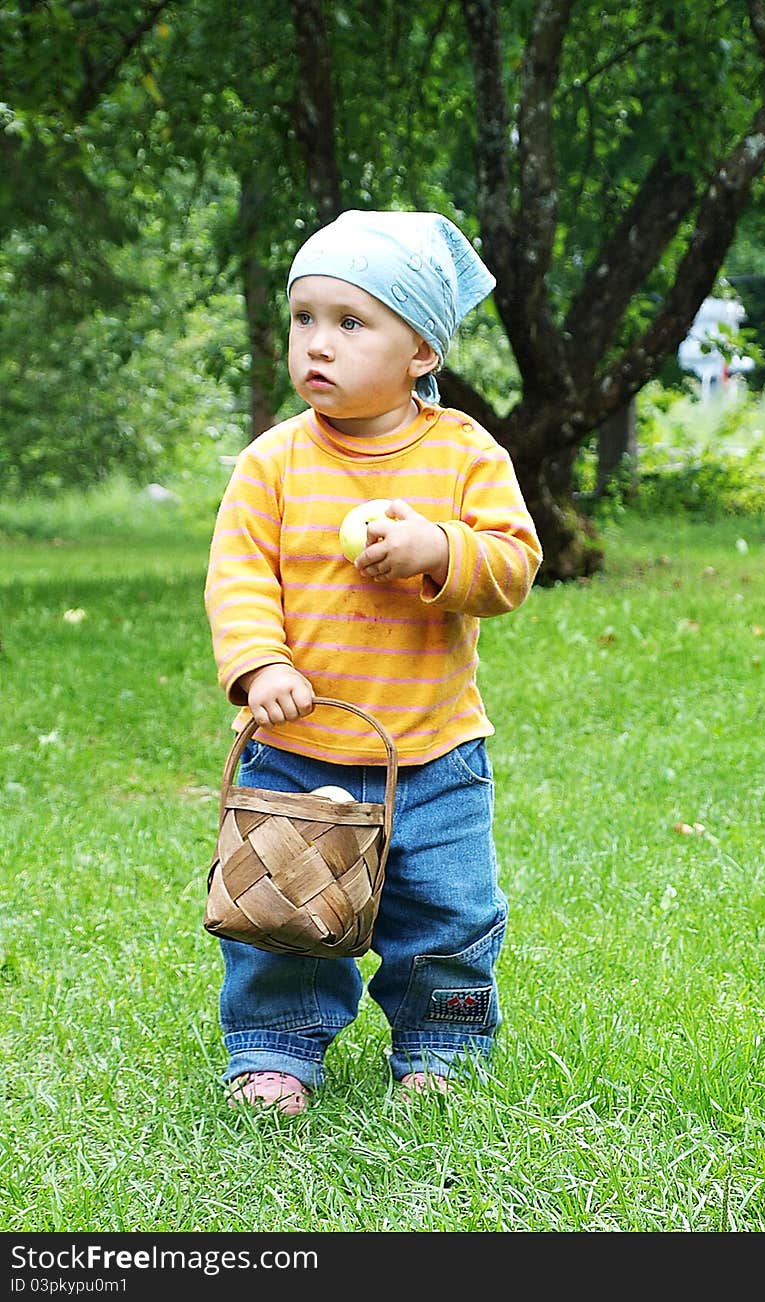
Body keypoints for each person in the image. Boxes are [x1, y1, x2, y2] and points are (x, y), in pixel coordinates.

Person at [204, 209, 542, 1114]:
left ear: (422, 350)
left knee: (446, 915)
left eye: (351, 324)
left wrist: (441, 548)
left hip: (433, 751)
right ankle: (276, 1046)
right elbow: (238, 578)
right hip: (297, 746)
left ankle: (441, 1049)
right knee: (282, 914)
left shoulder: (466, 453)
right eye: (304, 318)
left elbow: (512, 565)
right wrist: (259, 666)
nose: (318, 344)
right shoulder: (273, 463)